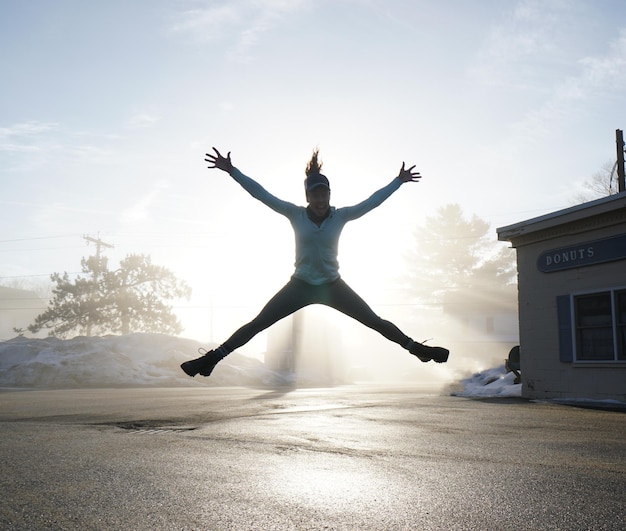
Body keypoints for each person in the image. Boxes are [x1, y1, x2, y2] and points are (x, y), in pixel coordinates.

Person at [181, 147, 449, 378]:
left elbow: (371, 202)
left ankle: (418, 349)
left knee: (375, 321)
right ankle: (211, 360)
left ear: (329, 195)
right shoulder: (294, 214)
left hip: (333, 286)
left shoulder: (341, 216)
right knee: (258, 323)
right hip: (300, 285)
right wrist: (232, 171)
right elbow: (261, 194)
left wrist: (398, 181)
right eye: (315, 195)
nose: (320, 200)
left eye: (324, 194)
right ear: (308, 196)